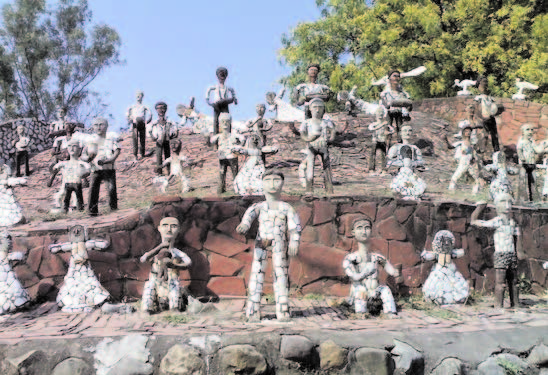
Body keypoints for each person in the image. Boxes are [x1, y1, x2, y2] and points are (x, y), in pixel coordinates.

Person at [236, 170, 302, 321]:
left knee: (281, 275)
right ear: (262, 183)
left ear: (283, 183)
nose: (272, 184)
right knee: (256, 274)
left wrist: (294, 241)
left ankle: (283, 309)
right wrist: (244, 226)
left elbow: (294, 226)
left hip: (279, 243)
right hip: (261, 242)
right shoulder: (258, 206)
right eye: (268, 180)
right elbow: (248, 218)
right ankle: (253, 310)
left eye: (276, 180)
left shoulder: (286, 208)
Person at [471, 194, 523, 309]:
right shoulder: (497, 221)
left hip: (511, 254)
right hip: (501, 254)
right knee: (501, 283)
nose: (507, 206)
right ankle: (499, 305)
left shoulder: (512, 222)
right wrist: (479, 209)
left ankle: (516, 304)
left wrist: (519, 251)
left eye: (509, 202)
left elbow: (517, 236)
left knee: (514, 282)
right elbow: (475, 222)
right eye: (504, 202)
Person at [342, 217, 400, 317]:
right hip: (359, 290)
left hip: (374, 291)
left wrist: (396, 272)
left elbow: (390, 270)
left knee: (385, 290)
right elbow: (354, 277)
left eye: (367, 228)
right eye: (359, 228)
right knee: (361, 290)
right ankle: (361, 313)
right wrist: (367, 271)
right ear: (353, 232)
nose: (363, 231)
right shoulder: (350, 258)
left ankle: (390, 312)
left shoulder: (377, 257)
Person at [48, 225, 111, 312]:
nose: (77, 233)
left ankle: (91, 301)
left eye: (79, 231)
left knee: (89, 283)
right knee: (72, 285)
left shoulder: (85, 244)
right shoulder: (71, 245)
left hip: (84, 270)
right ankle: (72, 302)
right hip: (74, 271)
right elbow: (55, 248)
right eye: (74, 232)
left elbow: (103, 244)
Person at [140, 217, 192, 314]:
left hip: (171, 282)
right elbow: (143, 259)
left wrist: (174, 265)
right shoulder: (156, 251)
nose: (169, 229)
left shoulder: (176, 253)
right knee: (149, 285)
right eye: (165, 225)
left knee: (174, 284)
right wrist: (160, 247)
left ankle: (174, 308)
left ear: (179, 229)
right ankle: (147, 309)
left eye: (173, 226)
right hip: (156, 281)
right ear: (159, 228)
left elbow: (188, 263)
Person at [82, 118, 120, 216]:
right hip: (96, 168)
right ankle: (92, 211)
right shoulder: (90, 140)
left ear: (106, 126)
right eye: (96, 125)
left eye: (101, 124)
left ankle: (113, 209)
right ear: (93, 127)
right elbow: (84, 154)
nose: (99, 127)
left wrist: (111, 159)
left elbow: (117, 150)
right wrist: (87, 159)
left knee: (111, 189)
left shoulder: (110, 139)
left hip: (109, 167)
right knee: (93, 189)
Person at [421, 230, 469, 305]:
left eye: (447, 242)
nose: (445, 244)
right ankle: (437, 298)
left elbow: (460, 252)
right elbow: (428, 256)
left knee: (455, 284)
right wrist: (424, 254)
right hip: (439, 272)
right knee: (437, 285)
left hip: (451, 271)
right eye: (443, 242)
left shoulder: (451, 253)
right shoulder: (436, 254)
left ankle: (456, 298)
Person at [299, 98, 335, 193]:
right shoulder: (307, 122)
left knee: (327, 168)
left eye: (320, 107)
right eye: (315, 107)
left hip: (323, 146)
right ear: (310, 109)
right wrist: (308, 139)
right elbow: (302, 134)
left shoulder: (325, 122)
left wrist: (331, 138)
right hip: (311, 146)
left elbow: (332, 131)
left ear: (323, 109)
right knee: (310, 168)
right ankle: (309, 189)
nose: (317, 110)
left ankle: (329, 189)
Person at [50, 140, 91, 212]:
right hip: (66, 184)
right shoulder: (64, 163)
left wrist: (84, 174)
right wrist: (53, 169)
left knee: (77, 197)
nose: (72, 148)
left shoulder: (81, 163)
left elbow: (88, 169)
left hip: (77, 183)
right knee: (63, 196)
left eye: (74, 146)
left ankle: (78, 208)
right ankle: (62, 208)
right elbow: (54, 168)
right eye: (70, 146)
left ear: (79, 149)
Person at [210, 113, 245, 194]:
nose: (225, 123)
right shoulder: (218, 136)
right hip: (222, 156)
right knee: (222, 173)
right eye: (223, 122)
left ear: (230, 122)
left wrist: (238, 147)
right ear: (220, 123)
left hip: (232, 156)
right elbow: (211, 141)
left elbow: (242, 139)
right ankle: (221, 188)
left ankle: (237, 188)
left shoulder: (233, 135)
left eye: (227, 121)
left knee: (235, 173)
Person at [445, 125, 482, 194]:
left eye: (469, 132)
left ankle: (475, 192)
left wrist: (474, 159)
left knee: (475, 179)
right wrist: (445, 139)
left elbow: (475, 152)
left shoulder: (472, 144)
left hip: (470, 163)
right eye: (466, 131)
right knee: (455, 177)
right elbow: (450, 147)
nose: (468, 133)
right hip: (463, 162)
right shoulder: (460, 143)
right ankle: (451, 191)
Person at [0, 230, 30, 315]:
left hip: (8, 277)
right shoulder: (3, 254)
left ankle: (17, 304)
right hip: (4, 278)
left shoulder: (6, 254)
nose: (9, 243)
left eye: (9, 240)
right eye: (6, 240)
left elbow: (18, 256)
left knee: (15, 289)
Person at [516, 123, 548, 202]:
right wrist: (522, 158)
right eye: (528, 130)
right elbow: (519, 150)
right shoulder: (522, 141)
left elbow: (537, 150)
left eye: (531, 130)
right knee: (524, 181)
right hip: (524, 165)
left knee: (534, 181)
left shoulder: (532, 141)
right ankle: (523, 199)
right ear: (523, 132)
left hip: (532, 164)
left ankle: (533, 198)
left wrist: (543, 148)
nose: (530, 132)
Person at [380, 70, 412, 142]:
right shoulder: (385, 93)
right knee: (387, 130)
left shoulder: (402, 93)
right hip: (389, 113)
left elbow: (408, 102)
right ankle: (386, 148)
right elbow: (384, 104)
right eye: (394, 76)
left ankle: (401, 146)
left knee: (401, 130)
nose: (396, 78)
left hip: (400, 113)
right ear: (389, 78)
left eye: (398, 76)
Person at [205, 67, 238, 136]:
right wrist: (210, 102)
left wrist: (234, 99)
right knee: (216, 120)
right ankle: (216, 134)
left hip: (225, 104)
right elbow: (208, 93)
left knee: (227, 118)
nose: (222, 77)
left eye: (223, 75)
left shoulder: (227, 87)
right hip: (217, 104)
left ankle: (228, 133)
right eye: (220, 74)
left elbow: (233, 93)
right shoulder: (214, 86)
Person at [150, 102, 178, 175]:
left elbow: (175, 129)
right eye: (159, 108)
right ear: (156, 110)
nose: (161, 110)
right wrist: (153, 137)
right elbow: (149, 131)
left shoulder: (169, 121)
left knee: (168, 157)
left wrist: (173, 135)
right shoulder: (154, 122)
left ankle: (169, 172)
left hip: (167, 140)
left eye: (163, 108)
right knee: (158, 157)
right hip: (158, 141)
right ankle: (159, 172)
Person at [474, 76, 501, 152]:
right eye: (483, 83)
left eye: (486, 82)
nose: (485, 85)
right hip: (483, 119)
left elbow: (494, 108)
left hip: (491, 118)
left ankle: (496, 151)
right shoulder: (478, 98)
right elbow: (477, 110)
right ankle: (481, 151)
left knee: (494, 135)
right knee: (483, 135)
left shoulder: (490, 98)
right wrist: (481, 118)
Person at [126, 90, 153, 160]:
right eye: (137, 95)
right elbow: (127, 113)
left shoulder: (144, 106)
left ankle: (142, 153)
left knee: (142, 138)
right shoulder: (132, 106)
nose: (138, 96)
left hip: (142, 123)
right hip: (135, 124)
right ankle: (135, 154)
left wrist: (148, 120)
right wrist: (129, 119)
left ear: (142, 97)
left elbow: (150, 113)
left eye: (140, 95)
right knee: (135, 138)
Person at [367, 105, 392, 174]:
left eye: (381, 112)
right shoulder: (374, 124)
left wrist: (388, 132)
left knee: (383, 155)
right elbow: (371, 128)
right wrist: (382, 125)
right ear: (376, 114)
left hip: (383, 140)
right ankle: (371, 169)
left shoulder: (386, 124)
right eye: (379, 112)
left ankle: (383, 169)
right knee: (372, 154)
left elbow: (391, 130)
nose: (380, 114)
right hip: (375, 140)